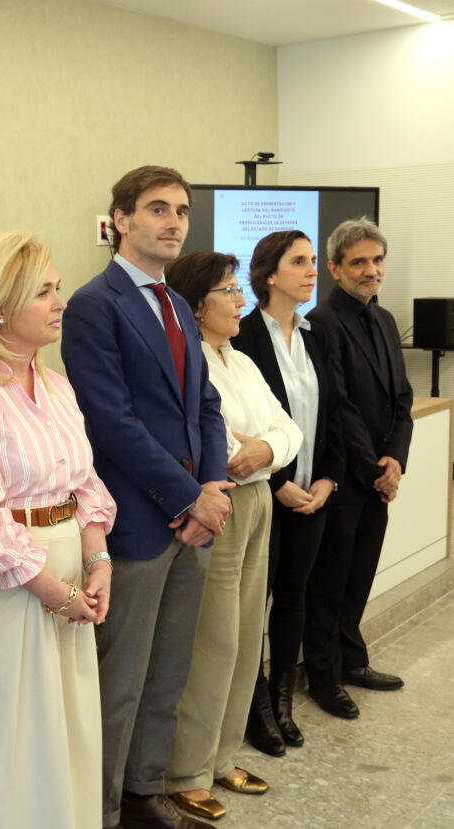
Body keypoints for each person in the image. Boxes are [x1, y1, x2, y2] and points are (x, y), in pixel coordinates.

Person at [61, 165, 231, 829]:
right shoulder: (94, 304)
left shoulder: (175, 307)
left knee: (168, 676)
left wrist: (212, 487)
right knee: (121, 685)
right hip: (137, 523)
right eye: (158, 209)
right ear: (122, 219)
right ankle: (99, 810)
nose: (173, 222)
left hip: (193, 520)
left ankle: (142, 796)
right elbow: (109, 421)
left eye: (182, 211)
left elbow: (207, 405)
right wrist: (189, 495)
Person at [0, 231, 116, 829]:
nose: (60, 301)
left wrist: (98, 566)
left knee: (67, 730)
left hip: (70, 582)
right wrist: (54, 591)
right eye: (44, 291)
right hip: (13, 590)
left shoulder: (58, 385)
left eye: (58, 288)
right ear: (1, 309)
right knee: (11, 742)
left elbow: (85, 485)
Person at [161, 251, 301, 821]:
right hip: (219, 505)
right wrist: (247, 448)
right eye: (229, 291)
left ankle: (222, 759)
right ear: (197, 305)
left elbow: (287, 427)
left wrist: (265, 449)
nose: (242, 300)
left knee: (247, 637)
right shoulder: (187, 358)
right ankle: (185, 770)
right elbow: (206, 440)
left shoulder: (240, 360)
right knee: (213, 641)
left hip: (259, 500)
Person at [231, 230, 343, 754]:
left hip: (313, 493)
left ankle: (282, 702)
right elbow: (244, 427)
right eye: (300, 261)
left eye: (314, 261)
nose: (312, 270)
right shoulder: (242, 336)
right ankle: (254, 711)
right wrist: (278, 484)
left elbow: (336, 412)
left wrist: (327, 478)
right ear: (269, 274)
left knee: (295, 599)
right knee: (255, 606)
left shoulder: (316, 334)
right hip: (268, 497)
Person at [302, 217, 412, 718]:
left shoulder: (385, 319)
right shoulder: (324, 322)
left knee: (361, 575)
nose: (371, 271)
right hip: (346, 476)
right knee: (331, 580)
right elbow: (339, 407)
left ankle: (352, 660)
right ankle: (323, 677)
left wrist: (397, 461)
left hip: (378, 476)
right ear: (335, 269)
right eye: (359, 262)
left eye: (377, 260)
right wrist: (373, 466)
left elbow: (402, 399)